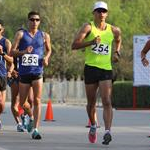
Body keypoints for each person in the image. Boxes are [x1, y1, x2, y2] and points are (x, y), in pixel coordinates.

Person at [71, 1, 121, 145]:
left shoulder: (114, 30)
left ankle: (107, 132)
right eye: (98, 11)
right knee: (91, 103)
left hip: (106, 69)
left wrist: (117, 52)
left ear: (107, 13)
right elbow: (74, 45)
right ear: (94, 13)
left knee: (107, 100)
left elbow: (118, 40)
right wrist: (91, 42)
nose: (101, 14)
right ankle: (93, 125)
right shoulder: (88, 27)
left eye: (104, 11)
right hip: (91, 68)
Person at [11, 11, 51, 139]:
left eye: (37, 20)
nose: (34, 22)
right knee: (23, 103)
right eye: (32, 20)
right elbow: (12, 52)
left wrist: (46, 58)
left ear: (39, 22)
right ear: (28, 21)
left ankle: (36, 129)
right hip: (24, 73)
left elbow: (49, 50)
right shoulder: (21, 34)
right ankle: (31, 116)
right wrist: (23, 52)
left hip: (37, 72)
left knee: (37, 101)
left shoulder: (44, 35)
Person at [0, 19, 13, 129]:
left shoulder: (6, 42)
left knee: (2, 104)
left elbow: (11, 60)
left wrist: (2, 53)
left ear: (2, 29)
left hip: (2, 74)